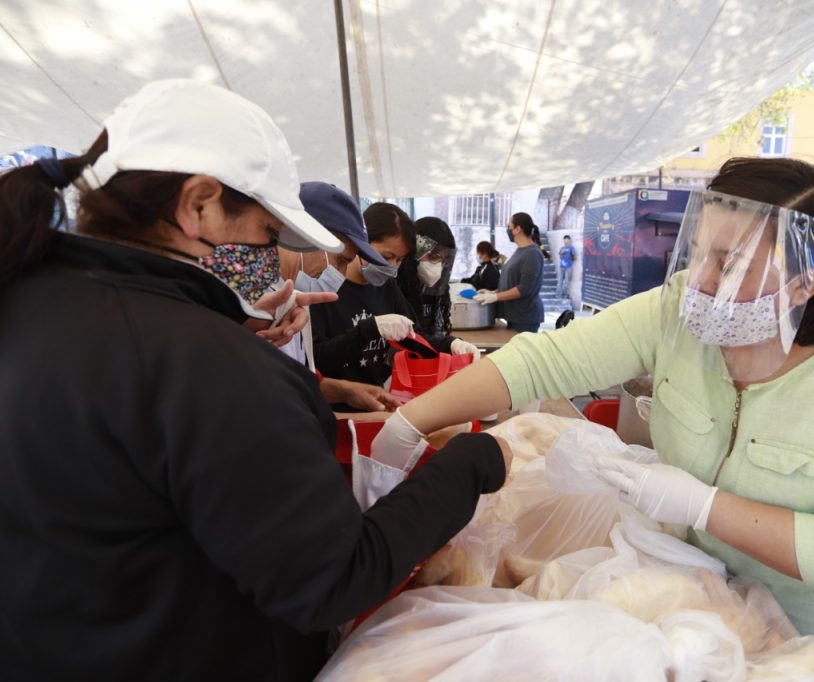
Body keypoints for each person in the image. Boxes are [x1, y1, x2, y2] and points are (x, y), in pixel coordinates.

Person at [0, 79, 510, 680]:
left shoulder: (30, 299)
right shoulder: (205, 365)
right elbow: (332, 577)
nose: (273, 258)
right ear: (199, 204)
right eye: (269, 235)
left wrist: (228, 341)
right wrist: (470, 463)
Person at [372, 157, 814, 672]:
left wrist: (703, 506)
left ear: (804, 283)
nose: (697, 280)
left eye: (727, 263)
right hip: (715, 608)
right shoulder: (680, 309)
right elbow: (546, 362)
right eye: (697, 251)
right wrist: (410, 420)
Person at [310, 201, 477, 406]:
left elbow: (414, 336)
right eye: (386, 256)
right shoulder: (326, 288)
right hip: (335, 410)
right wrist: (369, 329)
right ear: (360, 244)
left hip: (377, 403)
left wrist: (451, 344)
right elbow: (317, 358)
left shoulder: (386, 288)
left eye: (399, 260)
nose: (391, 267)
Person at [276, 181, 403, 412]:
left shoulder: (292, 303)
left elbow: (294, 383)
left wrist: (344, 391)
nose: (341, 274)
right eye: (342, 260)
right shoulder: (253, 307)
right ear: (303, 237)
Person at [474, 212, 545, 333]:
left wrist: (495, 297)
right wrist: (493, 292)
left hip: (525, 318)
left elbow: (524, 289)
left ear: (518, 229)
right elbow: (512, 282)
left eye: (509, 227)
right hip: (514, 316)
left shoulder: (532, 254)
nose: (507, 230)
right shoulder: (520, 251)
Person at [401, 216, 457, 335]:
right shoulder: (397, 291)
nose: (438, 266)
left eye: (444, 260)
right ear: (414, 253)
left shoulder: (435, 295)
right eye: (433, 257)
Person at [556, 234, 576, 300]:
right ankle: (558, 295)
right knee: (560, 281)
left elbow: (574, 257)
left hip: (568, 266)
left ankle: (564, 295)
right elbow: (560, 255)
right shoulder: (562, 248)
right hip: (562, 266)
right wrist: (561, 253)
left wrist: (571, 257)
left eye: (567, 239)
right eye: (564, 239)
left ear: (569, 240)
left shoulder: (571, 248)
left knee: (566, 281)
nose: (565, 240)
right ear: (563, 240)